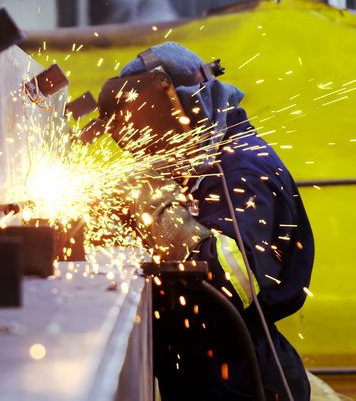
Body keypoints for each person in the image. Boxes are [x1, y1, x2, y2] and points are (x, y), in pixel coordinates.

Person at [99, 42, 315, 401]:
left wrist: (153, 204)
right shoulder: (206, 164)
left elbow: (233, 281)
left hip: (243, 378)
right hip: (207, 366)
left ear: (187, 106)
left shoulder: (244, 168)